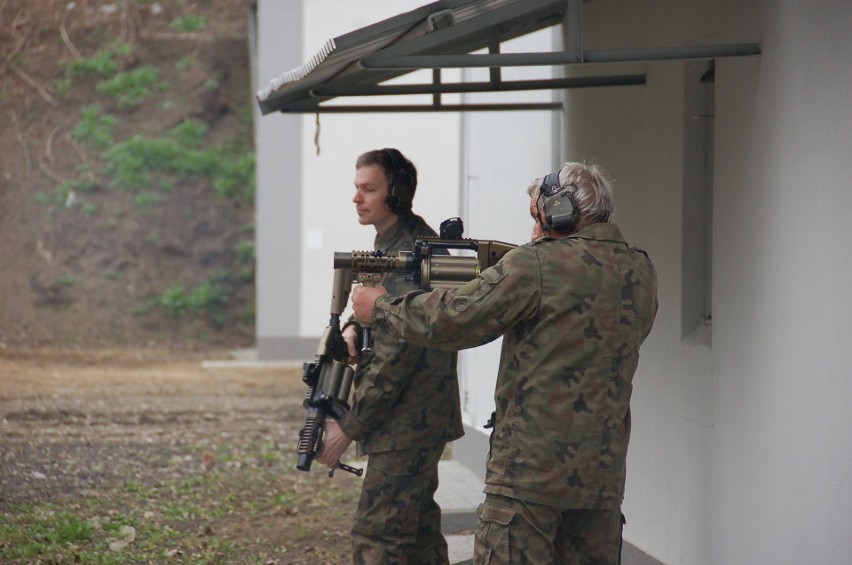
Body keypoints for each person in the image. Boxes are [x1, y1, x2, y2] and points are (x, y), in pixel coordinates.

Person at [352, 161, 658, 564]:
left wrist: (382, 307)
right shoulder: (640, 270)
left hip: (527, 480)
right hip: (600, 480)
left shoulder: (536, 264)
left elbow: (454, 320)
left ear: (562, 212)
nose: (533, 231)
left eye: (538, 217)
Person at [315, 148, 463, 564]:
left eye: (369, 189)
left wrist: (348, 427)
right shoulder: (392, 244)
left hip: (407, 420)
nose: (357, 198)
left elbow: (397, 356)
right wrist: (351, 327)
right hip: (411, 420)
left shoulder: (412, 258)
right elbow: (369, 308)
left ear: (395, 195)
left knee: (378, 538)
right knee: (417, 537)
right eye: (356, 188)